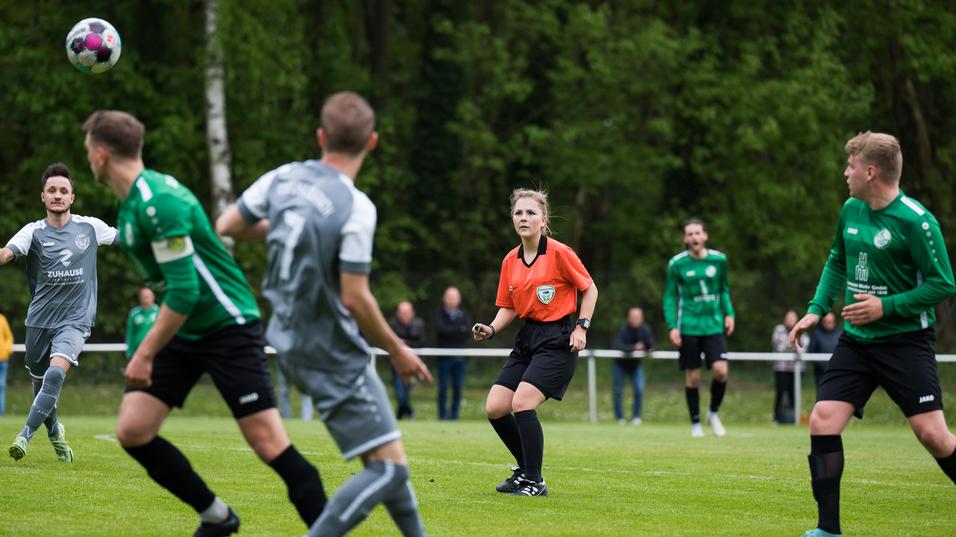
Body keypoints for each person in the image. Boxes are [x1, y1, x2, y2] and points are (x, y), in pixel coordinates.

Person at [83, 110, 325, 536]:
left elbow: (185, 290)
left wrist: (144, 352)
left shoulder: (160, 202)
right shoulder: (130, 206)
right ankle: (217, 517)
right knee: (134, 430)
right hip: (185, 326)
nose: (88, 159)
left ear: (101, 155)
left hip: (227, 326)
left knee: (269, 444)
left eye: (88, 151)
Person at [216, 91, 431, 536]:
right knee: (390, 472)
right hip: (332, 351)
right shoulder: (356, 206)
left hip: (288, 339)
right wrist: (397, 350)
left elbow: (228, 225)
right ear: (371, 143)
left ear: (320, 136)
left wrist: (290, 227)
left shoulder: (283, 179)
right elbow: (355, 297)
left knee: (389, 458)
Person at [788, 132, 956, 537]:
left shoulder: (918, 222)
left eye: (850, 166)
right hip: (857, 342)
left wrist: (887, 306)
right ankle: (828, 530)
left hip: (905, 343)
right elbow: (836, 261)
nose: (845, 173)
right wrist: (815, 310)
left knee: (933, 435)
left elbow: (943, 285)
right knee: (823, 421)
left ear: (871, 171)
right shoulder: (851, 210)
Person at [473, 188, 598, 497]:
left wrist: (582, 327)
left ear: (544, 220)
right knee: (496, 407)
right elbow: (510, 306)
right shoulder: (510, 260)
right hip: (527, 338)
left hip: (558, 338)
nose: (524, 218)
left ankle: (535, 480)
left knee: (522, 402)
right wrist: (490, 328)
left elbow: (590, 289)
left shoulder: (559, 252)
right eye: (518, 213)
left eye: (530, 213)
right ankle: (524, 470)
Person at [4, 162, 117, 462]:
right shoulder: (33, 231)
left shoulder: (90, 227)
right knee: (41, 383)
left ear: (72, 198)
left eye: (63, 191)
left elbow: (127, 240)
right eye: (52, 190)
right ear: (43, 196)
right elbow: (7, 253)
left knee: (55, 374)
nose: (58, 195)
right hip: (39, 321)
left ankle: (24, 437)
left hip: (75, 321)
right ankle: (55, 433)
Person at [663, 218, 735, 437]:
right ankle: (695, 423)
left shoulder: (719, 260)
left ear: (705, 236)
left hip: (713, 324)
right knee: (693, 377)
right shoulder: (677, 264)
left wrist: (729, 313)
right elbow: (670, 296)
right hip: (689, 326)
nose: (694, 237)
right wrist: (672, 326)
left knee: (721, 371)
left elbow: (723, 289)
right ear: (685, 239)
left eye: (697, 233)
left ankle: (713, 413)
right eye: (690, 234)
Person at [613, 307, 654, 425]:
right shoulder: (623, 329)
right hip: (620, 364)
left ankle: (636, 417)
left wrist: (648, 348)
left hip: (635, 365)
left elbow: (651, 344)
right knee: (618, 390)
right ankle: (619, 418)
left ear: (642, 318)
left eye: (638, 317)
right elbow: (618, 345)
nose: (635, 320)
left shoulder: (645, 329)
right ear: (629, 318)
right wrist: (634, 347)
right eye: (633, 317)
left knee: (639, 388)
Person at [435, 286, 472, 420]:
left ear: (459, 299)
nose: (452, 300)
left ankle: (454, 415)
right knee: (443, 388)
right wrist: (458, 329)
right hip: (444, 357)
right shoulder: (439, 313)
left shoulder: (464, 314)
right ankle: (442, 416)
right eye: (449, 297)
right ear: (444, 299)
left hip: (459, 357)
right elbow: (441, 330)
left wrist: (452, 330)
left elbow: (467, 332)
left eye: (454, 297)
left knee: (457, 387)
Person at [389, 300, 425, 420]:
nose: (403, 314)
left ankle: (399, 415)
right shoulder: (392, 325)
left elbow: (421, 342)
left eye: (406, 312)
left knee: (405, 393)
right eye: (401, 312)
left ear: (412, 313)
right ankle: (409, 413)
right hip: (398, 365)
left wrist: (403, 342)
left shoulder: (419, 324)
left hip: (414, 365)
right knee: (400, 395)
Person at [771, 309, 808, 424]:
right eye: (789, 318)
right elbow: (779, 347)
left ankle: (794, 419)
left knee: (795, 394)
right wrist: (793, 342)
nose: (791, 320)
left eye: (793, 318)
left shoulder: (802, 331)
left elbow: (803, 348)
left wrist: (791, 343)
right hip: (781, 368)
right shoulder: (779, 329)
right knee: (780, 392)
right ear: (785, 319)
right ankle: (777, 419)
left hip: (797, 369)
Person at [806, 312, 841, 394]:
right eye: (825, 322)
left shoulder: (840, 334)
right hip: (820, 373)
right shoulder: (816, 334)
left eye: (830, 322)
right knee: (821, 396)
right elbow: (811, 352)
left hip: (837, 372)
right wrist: (822, 365)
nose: (827, 324)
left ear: (834, 322)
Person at [125, 287, 159, 359]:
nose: (146, 298)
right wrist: (130, 352)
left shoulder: (159, 312)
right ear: (140, 298)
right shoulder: (134, 314)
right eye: (144, 296)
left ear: (153, 297)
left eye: (148, 296)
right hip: (138, 353)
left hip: (156, 352)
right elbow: (130, 334)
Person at [0, 311, 13, 416]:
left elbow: (9, 337)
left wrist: (7, 349)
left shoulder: (2, 319)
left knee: (1, 385)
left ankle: (1, 412)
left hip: (3, 359)